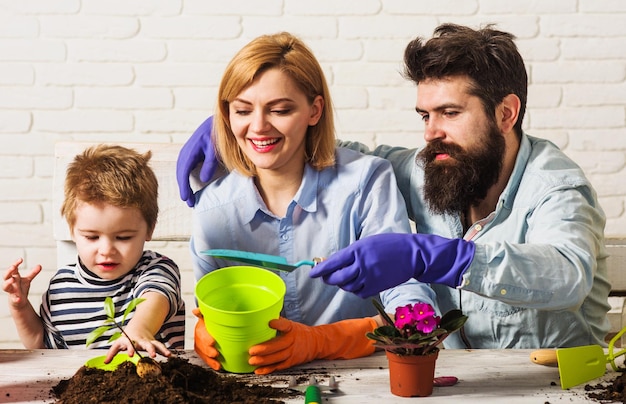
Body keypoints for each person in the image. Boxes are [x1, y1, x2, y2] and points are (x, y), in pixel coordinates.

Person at [177, 24, 611, 350]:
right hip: (454, 386)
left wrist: (436, 257)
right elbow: (339, 156)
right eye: (425, 115)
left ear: (506, 113)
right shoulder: (431, 168)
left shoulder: (556, 186)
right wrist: (241, 130)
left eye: (449, 112)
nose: (430, 133)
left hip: (556, 386)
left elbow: (567, 274)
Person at [187, 32, 428, 374]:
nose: (258, 127)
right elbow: (209, 308)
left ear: (314, 110)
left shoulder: (365, 183)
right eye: (242, 110)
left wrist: (321, 341)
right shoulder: (213, 209)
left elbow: (412, 309)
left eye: (280, 110)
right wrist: (205, 329)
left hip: (361, 378)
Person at [3, 145, 186, 363]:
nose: (106, 250)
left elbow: (155, 297)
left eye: (124, 237)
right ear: (73, 231)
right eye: (91, 237)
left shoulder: (157, 269)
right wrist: (21, 307)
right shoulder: (61, 288)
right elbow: (41, 345)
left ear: (149, 229)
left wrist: (139, 330)